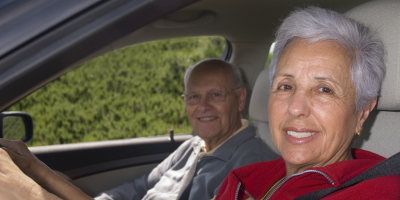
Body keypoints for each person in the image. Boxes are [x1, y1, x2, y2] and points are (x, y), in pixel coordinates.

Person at [0, 58, 279, 200]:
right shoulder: (192, 146)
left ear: (240, 98)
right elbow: (139, 187)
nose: (202, 106)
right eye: (194, 97)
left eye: (215, 95)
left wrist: (39, 172)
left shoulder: (254, 166)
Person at [214, 7, 400, 200]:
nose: (295, 108)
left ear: (362, 112)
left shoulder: (380, 193)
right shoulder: (243, 181)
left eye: (324, 89)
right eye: (286, 86)